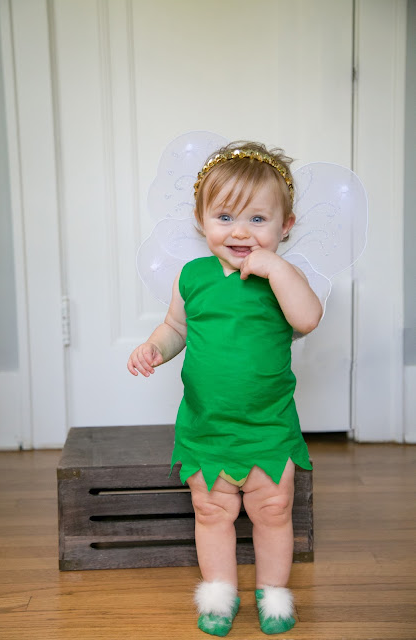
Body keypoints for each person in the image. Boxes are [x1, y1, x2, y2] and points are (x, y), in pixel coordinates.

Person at [127, 141, 323, 636]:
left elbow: (307, 318)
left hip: (267, 426)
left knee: (273, 509)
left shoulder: (283, 277)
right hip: (207, 426)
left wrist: (277, 269)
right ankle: (220, 594)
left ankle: (273, 595)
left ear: (285, 225)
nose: (240, 231)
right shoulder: (193, 277)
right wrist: (155, 347)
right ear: (201, 220)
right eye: (225, 217)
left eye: (258, 219)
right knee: (211, 511)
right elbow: (176, 328)